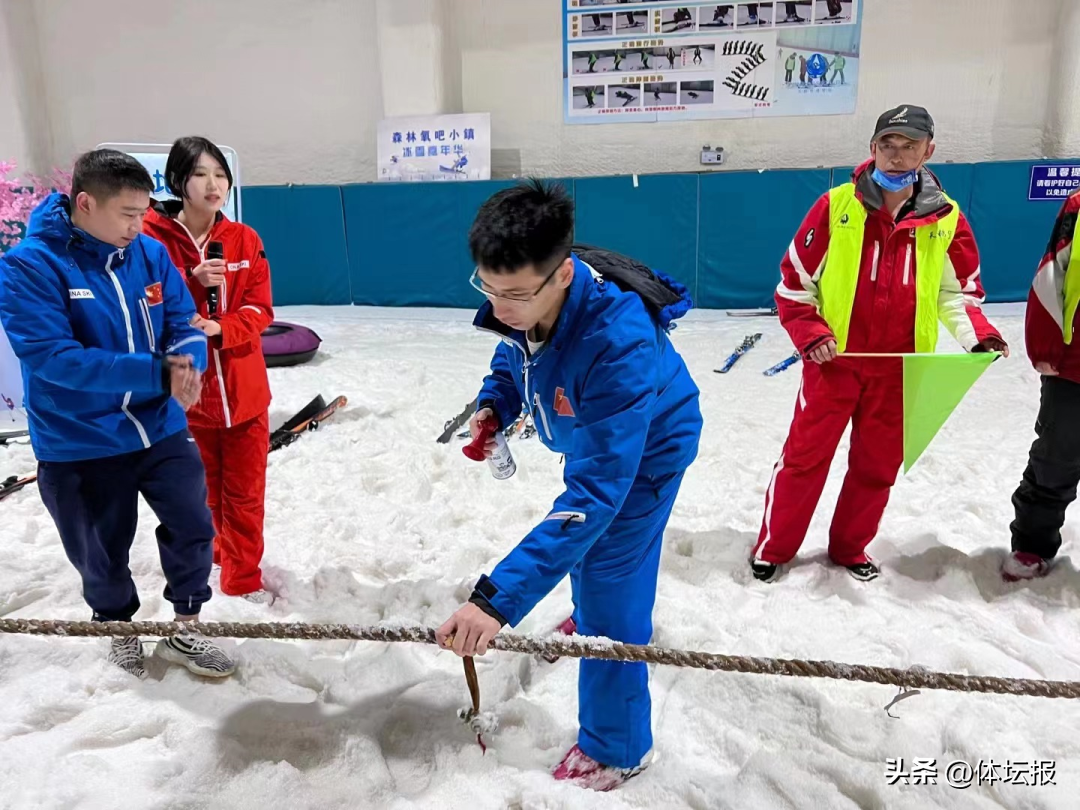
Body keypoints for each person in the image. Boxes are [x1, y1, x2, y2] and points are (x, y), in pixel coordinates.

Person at [436, 180, 701, 791]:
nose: (501, 306)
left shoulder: (618, 343)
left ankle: (616, 747)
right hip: (591, 438)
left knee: (610, 582)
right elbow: (517, 353)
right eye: (489, 289)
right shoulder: (528, 302)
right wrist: (496, 405)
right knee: (588, 554)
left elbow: (594, 498)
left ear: (563, 274)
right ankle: (588, 616)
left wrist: (495, 600)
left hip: (645, 454)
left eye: (516, 294)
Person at [0, 149, 236, 679]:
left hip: (160, 428)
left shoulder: (150, 255)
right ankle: (116, 626)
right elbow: (53, 358)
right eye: (127, 214)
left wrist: (188, 368)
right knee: (100, 549)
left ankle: (186, 627)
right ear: (85, 203)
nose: (138, 225)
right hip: (80, 439)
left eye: (143, 212)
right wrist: (159, 373)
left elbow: (184, 324)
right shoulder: (29, 266)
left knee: (194, 525)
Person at [751, 106, 1007, 583]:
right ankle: (774, 548)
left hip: (901, 370)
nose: (896, 156)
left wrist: (980, 336)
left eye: (908, 146)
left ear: (928, 151)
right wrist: (813, 335)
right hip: (834, 365)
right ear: (872, 148)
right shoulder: (835, 206)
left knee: (876, 467)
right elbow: (793, 287)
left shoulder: (947, 219)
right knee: (804, 459)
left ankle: (849, 548)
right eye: (887, 145)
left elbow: (960, 294)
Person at [142, 137, 275, 604]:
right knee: (201, 496)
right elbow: (143, 309)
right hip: (185, 395)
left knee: (244, 494)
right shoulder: (149, 239)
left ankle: (241, 579)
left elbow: (262, 310)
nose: (213, 184)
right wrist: (190, 284)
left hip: (244, 394)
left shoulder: (244, 239)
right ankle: (217, 553)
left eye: (220, 174)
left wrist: (218, 326)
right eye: (201, 174)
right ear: (179, 181)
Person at [1005, 188, 1080, 581]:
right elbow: (1051, 274)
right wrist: (1046, 346)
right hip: (1075, 366)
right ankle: (1032, 545)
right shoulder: (1078, 206)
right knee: (1056, 458)